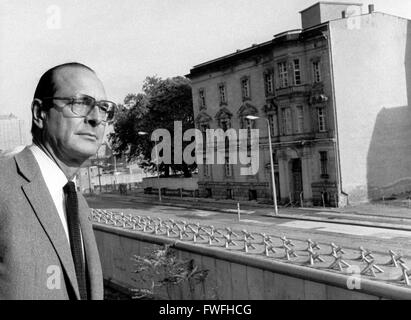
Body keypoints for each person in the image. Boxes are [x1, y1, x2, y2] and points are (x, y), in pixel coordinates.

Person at [0, 62, 116, 300]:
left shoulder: (77, 202)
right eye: (80, 103)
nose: (96, 118)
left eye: (104, 108)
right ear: (39, 113)